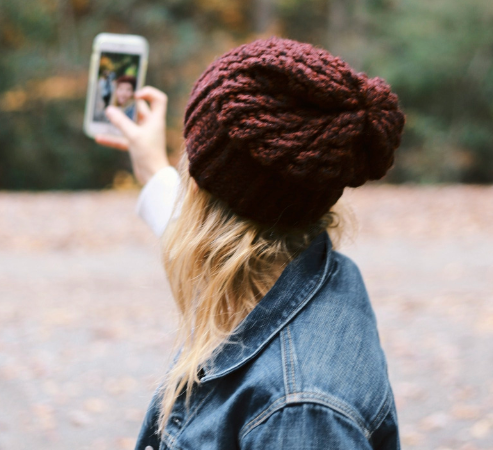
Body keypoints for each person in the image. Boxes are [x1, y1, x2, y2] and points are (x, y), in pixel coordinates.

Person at [95, 36, 405, 449]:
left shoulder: (299, 409)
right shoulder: (289, 271)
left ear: (208, 201)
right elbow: (217, 238)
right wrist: (152, 167)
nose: (184, 165)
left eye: (190, 152)